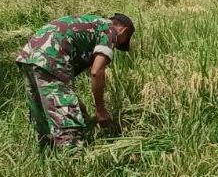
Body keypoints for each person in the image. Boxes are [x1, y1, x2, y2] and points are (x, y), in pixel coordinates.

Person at [16, 13, 135, 149]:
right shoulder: (110, 31)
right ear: (123, 30)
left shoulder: (91, 23)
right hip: (52, 59)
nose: (117, 45)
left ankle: (47, 151)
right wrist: (100, 109)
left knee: (42, 114)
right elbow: (96, 72)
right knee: (67, 122)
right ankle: (72, 158)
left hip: (29, 55)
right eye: (123, 41)